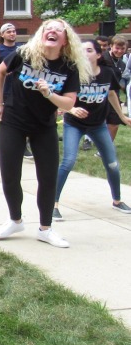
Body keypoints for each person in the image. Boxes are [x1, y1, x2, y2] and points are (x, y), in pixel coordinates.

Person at [0, 19, 89, 248]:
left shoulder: (69, 67)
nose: (52, 32)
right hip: (13, 121)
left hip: (44, 126)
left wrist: (49, 95)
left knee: (47, 177)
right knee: (10, 175)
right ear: (41, 34)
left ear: (65, 40)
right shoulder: (23, 54)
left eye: (58, 30)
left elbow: (68, 103)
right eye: (48, 28)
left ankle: (45, 229)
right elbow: (0, 72)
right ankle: (15, 220)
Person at [53, 39, 131, 220]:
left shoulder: (107, 73)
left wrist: (121, 116)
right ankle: (53, 203)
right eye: (81, 50)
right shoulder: (73, 73)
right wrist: (70, 109)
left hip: (98, 125)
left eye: (88, 50)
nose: (84, 53)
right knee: (68, 161)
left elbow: (112, 94)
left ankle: (117, 200)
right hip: (74, 124)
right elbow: (61, 97)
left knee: (112, 163)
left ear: (97, 54)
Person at [0, 23, 33, 160]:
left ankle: (25, 143)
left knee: (27, 117)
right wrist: (3, 70)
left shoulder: (22, 49)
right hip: (6, 90)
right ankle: (14, 146)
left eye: (13, 31)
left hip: (23, 89)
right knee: (8, 120)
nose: (12, 34)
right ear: (2, 35)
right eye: (9, 32)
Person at [102, 35, 127, 143]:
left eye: (122, 48)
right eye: (117, 48)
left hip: (113, 96)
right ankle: (87, 141)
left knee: (114, 123)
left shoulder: (122, 63)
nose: (119, 51)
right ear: (111, 46)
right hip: (98, 94)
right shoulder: (102, 59)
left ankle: (105, 148)